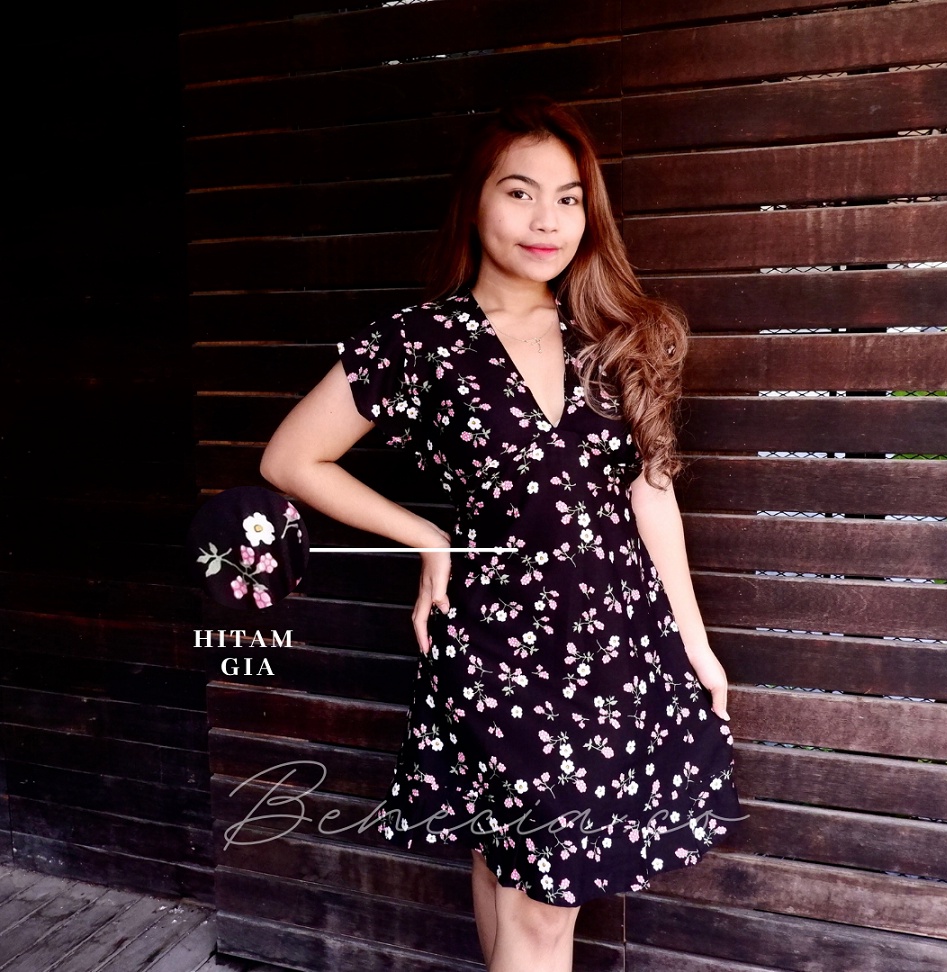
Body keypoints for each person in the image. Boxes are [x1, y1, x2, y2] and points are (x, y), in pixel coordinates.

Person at [260, 96, 744, 972]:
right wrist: (426, 538)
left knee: (515, 879)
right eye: (520, 192)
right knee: (541, 909)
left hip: (619, 650)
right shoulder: (419, 343)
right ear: (474, 199)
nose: (546, 220)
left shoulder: (618, 336)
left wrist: (695, 644)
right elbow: (292, 458)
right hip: (499, 649)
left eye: (568, 199)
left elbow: (651, 492)